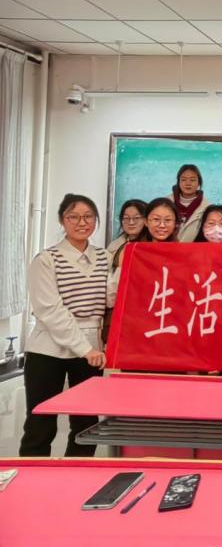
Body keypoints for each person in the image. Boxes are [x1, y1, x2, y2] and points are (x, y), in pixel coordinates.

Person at [20, 194, 114, 457]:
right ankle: (31, 477)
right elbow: (50, 310)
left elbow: (111, 299)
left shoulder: (105, 257)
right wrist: (85, 349)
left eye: (88, 216)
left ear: (96, 220)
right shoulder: (46, 259)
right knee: (40, 422)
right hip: (47, 349)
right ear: (62, 220)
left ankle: (78, 475)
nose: (81, 222)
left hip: (91, 350)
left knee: (86, 423)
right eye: (73, 216)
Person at [169, 164, 209, 242]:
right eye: (183, 179)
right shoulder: (167, 202)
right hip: (167, 246)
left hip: (193, 248)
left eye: (192, 180)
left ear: (199, 183)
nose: (188, 183)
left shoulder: (207, 206)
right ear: (178, 182)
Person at [107, 199, 147, 269]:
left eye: (136, 218)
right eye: (126, 218)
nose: (131, 222)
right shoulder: (114, 246)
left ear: (147, 220)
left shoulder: (151, 245)